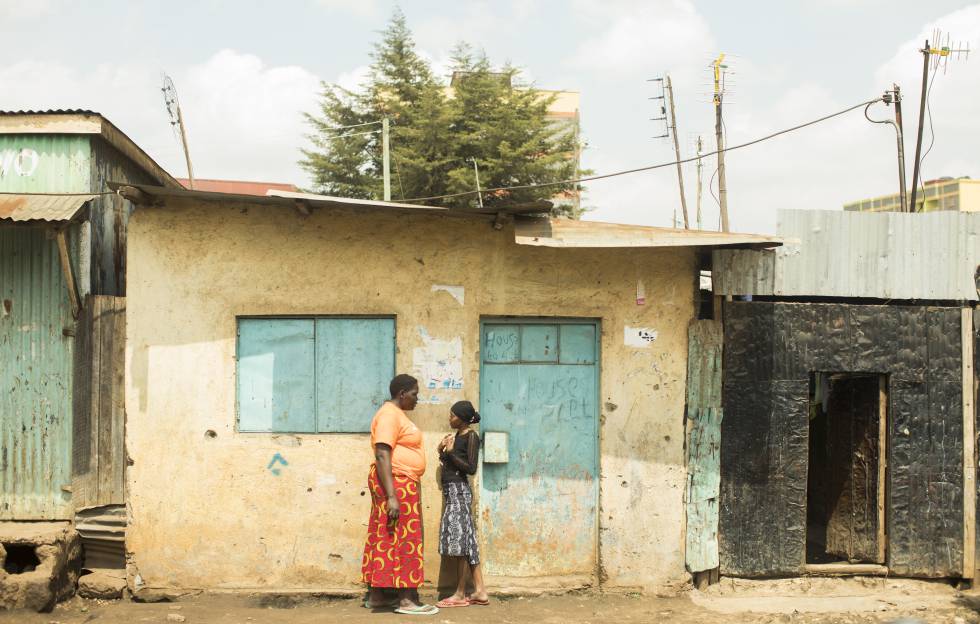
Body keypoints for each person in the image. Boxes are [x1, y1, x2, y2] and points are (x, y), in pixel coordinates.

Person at [361, 374, 438, 615]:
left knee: (387, 535)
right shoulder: (389, 415)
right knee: (406, 539)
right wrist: (392, 496)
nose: (417, 399)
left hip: (399, 482)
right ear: (402, 393)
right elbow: (382, 453)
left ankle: (377, 597)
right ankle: (406, 601)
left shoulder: (395, 414)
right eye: (414, 394)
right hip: (397, 483)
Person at [435, 400, 490, 608]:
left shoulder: (471, 436)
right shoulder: (456, 436)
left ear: (463, 418)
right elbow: (450, 463)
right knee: (468, 541)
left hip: (460, 492)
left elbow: (471, 468)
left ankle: (459, 594)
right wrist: (442, 450)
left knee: (460, 543)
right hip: (452, 492)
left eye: (453, 415)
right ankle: (480, 591)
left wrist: (450, 453)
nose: (449, 418)